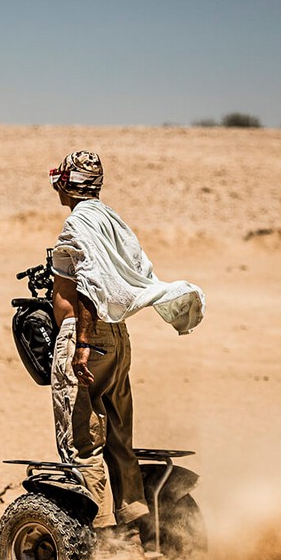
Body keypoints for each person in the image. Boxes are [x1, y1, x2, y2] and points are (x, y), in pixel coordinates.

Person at [48, 150, 204, 537]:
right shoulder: (111, 220)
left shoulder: (78, 224)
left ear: (67, 184)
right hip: (117, 338)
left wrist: (82, 343)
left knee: (83, 441)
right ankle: (135, 521)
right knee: (119, 438)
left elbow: (90, 283)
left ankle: (104, 539)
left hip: (85, 336)